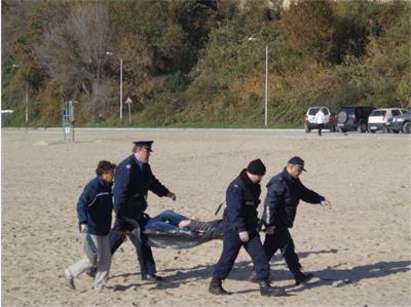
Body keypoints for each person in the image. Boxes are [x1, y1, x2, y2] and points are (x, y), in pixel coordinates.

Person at [209, 159, 285, 297]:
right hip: (234, 228)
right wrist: (241, 229)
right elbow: (234, 211)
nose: (261, 178)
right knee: (228, 257)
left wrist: (260, 226)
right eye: (260, 175)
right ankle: (215, 284)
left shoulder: (255, 186)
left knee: (260, 256)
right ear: (254, 173)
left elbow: (251, 211)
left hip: (249, 228)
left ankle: (264, 286)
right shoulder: (236, 187)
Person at [110, 141, 176, 281]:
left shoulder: (144, 167)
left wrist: (167, 193)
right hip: (127, 213)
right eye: (147, 151)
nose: (149, 155)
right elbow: (119, 193)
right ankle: (147, 272)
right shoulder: (127, 167)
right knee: (128, 240)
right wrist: (120, 213)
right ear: (138, 150)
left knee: (129, 239)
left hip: (137, 211)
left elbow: (152, 183)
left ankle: (147, 272)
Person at [261, 156, 332, 285]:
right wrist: (268, 225)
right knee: (287, 248)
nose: (300, 173)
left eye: (301, 170)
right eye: (298, 170)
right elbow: (269, 205)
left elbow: (304, 193)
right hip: (276, 223)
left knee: (269, 249)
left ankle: (258, 272)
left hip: (282, 222)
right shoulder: (279, 182)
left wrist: (320, 199)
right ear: (290, 166)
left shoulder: (294, 181)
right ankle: (298, 275)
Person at [64, 160, 116, 291]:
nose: (113, 175)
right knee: (92, 260)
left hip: (104, 229)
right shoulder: (93, 187)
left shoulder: (108, 186)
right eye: (111, 173)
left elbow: (109, 205)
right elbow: (81, 204)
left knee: (106, 259)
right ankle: (70, 272)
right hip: (92, 229)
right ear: (104, 173)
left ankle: (100, 286)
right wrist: (83, 221)